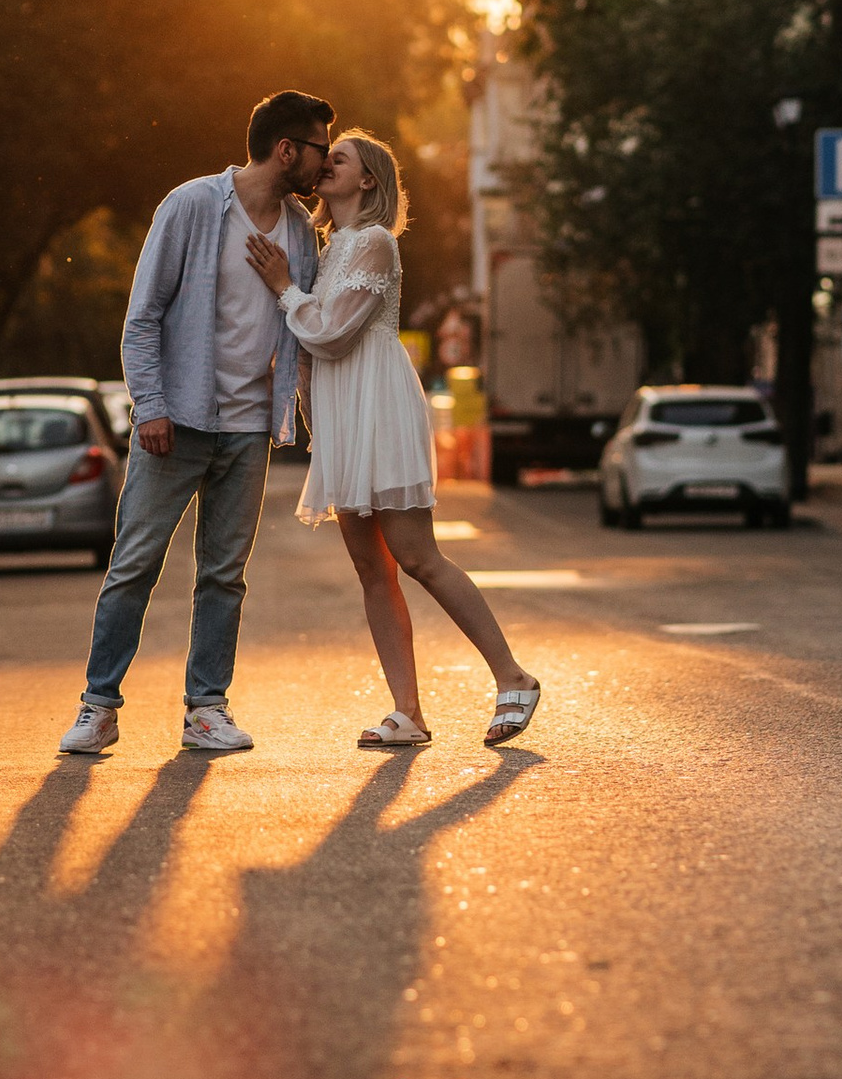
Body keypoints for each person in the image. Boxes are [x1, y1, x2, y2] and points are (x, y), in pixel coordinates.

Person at [56, 91, 333, 759]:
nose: (325, 163)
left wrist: (315, 423)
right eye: (319, 149)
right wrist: (149, 406)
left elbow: (303, 331)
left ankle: (206, 710)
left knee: (224, 576)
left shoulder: (301, 232)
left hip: (247, 429)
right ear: (286, 150)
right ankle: (98, 708)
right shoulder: (191, 206)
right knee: (134, 565)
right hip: (176, 422)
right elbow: (142, 317)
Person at [246, 127, 541, 750]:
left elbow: (331, 334)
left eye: (340, 159)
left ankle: (513, 677)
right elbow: (310, 350)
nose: (326, 165)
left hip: (377, 406)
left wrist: (283, 287)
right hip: (344, 414)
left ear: (368, 179)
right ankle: (408, 712)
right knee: (370, 568)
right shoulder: (330, 248)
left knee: (417, 556)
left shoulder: (374, 242)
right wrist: (316, 419)